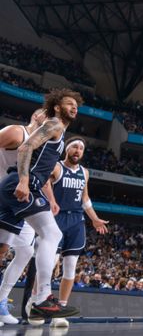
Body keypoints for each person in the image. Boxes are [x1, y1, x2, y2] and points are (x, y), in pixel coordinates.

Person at [0, 89, 83, 320]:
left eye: (76, 105)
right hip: (18, 184)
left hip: (19, 186)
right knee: (52, 234)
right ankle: (42, 299)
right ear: (57, 107)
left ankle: (34, 300)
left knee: (18, 249)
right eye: (69, 103)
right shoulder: (55, 124)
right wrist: (25, 180)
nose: (74, 107)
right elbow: (25, 147)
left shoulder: (59, 132)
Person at [45, 137, 110, 327]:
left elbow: (85, 198)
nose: (78, 150)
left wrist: (94, 218)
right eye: (74, 146)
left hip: (76, 221)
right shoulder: (56, 167)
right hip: (56, 218)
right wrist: (50, 201)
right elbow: (44, 184)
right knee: (48, 265)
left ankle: (60, 310)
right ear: (67, 149)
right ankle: (38, 301)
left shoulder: (85, 172)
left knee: (70, 266)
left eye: (81, 148)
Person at [0, 109, 46, 325]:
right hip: (4, 195)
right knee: (1, 249)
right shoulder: (17, 133)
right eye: (47, 113)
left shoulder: (40, 147)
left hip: (22, 201)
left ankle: (0, 301)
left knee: (26, 250)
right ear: (36, 116)